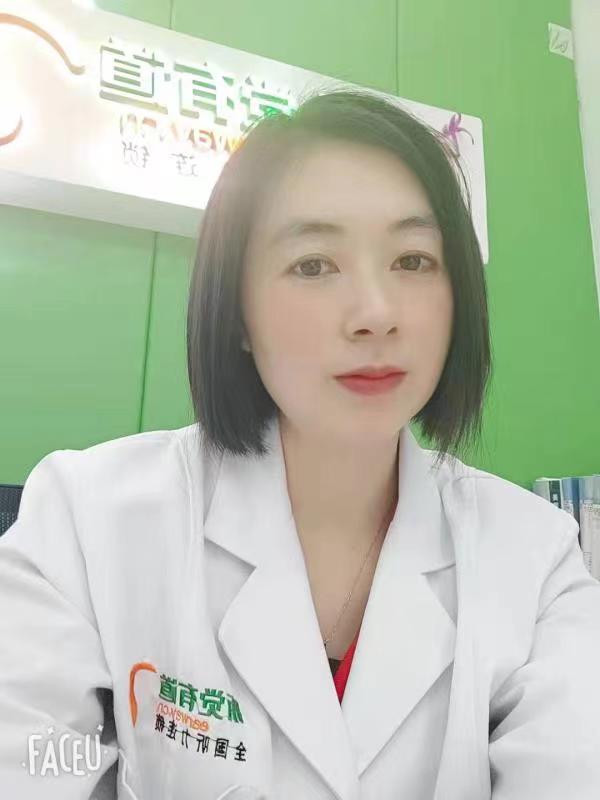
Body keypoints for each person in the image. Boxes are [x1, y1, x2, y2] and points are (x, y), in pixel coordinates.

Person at [1, 86, 599, 800]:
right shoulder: (86, 520)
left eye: (413, 261)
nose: (376, 314)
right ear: (237, 312)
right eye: (314, 264)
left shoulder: (538, 558)